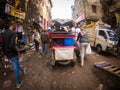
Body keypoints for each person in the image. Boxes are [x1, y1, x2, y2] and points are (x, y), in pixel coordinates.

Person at [2, 21, 26, 88]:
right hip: (12, 53)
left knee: (16, 63)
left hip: (8, 53)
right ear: (13, 25)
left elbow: (3, 44)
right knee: (15, 66)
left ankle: (23, 70)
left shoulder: (4, 33)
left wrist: (4, 53)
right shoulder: (13, 33)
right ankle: (18, 83)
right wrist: (17, 51)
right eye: (15, 25)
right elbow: (12, 45)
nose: (16, 27)